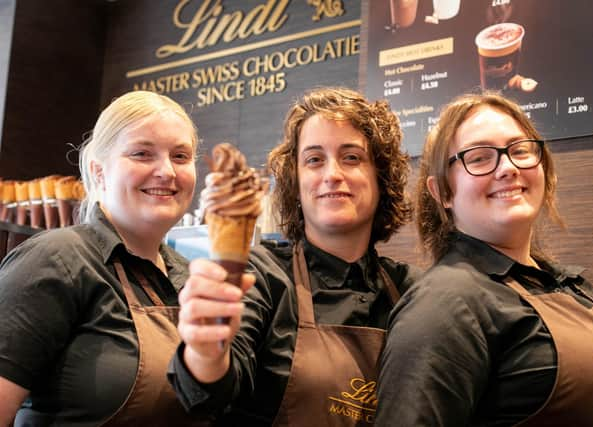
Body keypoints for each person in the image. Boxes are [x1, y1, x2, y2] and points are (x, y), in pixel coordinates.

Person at [375, 92, 593, 426]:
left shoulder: (575, 287)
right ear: (442, 192)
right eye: (481, 157)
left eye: (520, 150)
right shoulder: (444, 304)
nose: (508, 167)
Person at [168, 87, 423, 425]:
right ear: (296, 182)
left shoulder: (412, 292)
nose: (332, 174)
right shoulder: (262, 274)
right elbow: (210, 394)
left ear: (380, 177)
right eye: (314, 160)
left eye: (351, 157)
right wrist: (204, 352)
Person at [0, 90, 212, 426]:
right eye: (142, 154)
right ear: (99, 172)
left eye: (181, 156)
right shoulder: (55, 260)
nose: (167, 171)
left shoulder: (190, 278)